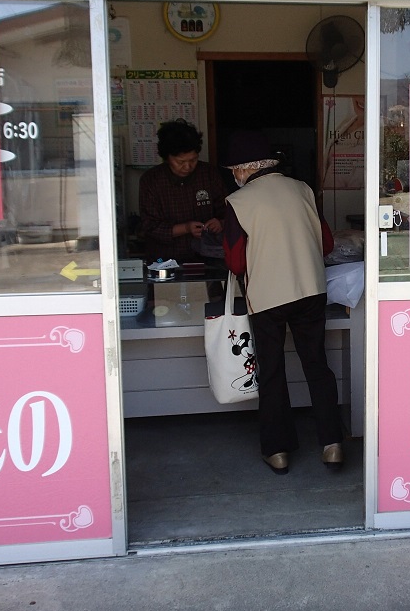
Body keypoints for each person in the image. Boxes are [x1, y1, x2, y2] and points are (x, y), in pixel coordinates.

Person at [222, 130, 344, 476]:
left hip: (268, 297)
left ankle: (277, 451)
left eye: (234, 169)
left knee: (272, 371)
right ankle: (333, 444)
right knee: (317, 365)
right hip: (311, 290)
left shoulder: (238, 202)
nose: (234, 175)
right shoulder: (303, 189)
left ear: (244, 168)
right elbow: (326, 244)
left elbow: (235, 262)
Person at [138, 119, 227, 265]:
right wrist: (186, 228)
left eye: (193, 160)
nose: (187, 167)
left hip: (208, 259)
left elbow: (228, 211)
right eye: (180, 162)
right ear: (167, 158)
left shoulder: (209, 174)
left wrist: (220, 223)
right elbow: (150, 226)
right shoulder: (151, 180)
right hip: (165, 259)